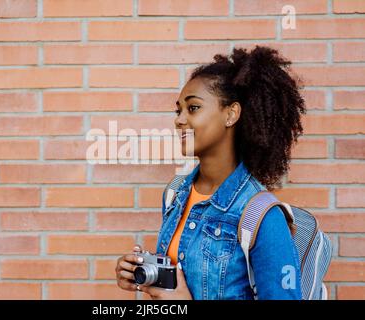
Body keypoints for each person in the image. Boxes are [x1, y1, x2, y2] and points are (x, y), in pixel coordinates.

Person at [115, 46, 306, 300]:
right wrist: (141, 274)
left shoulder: (261, 216)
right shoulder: (175, 194)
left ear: (231, 114)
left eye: (193, 108)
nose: (179, 120)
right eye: (178, 110)